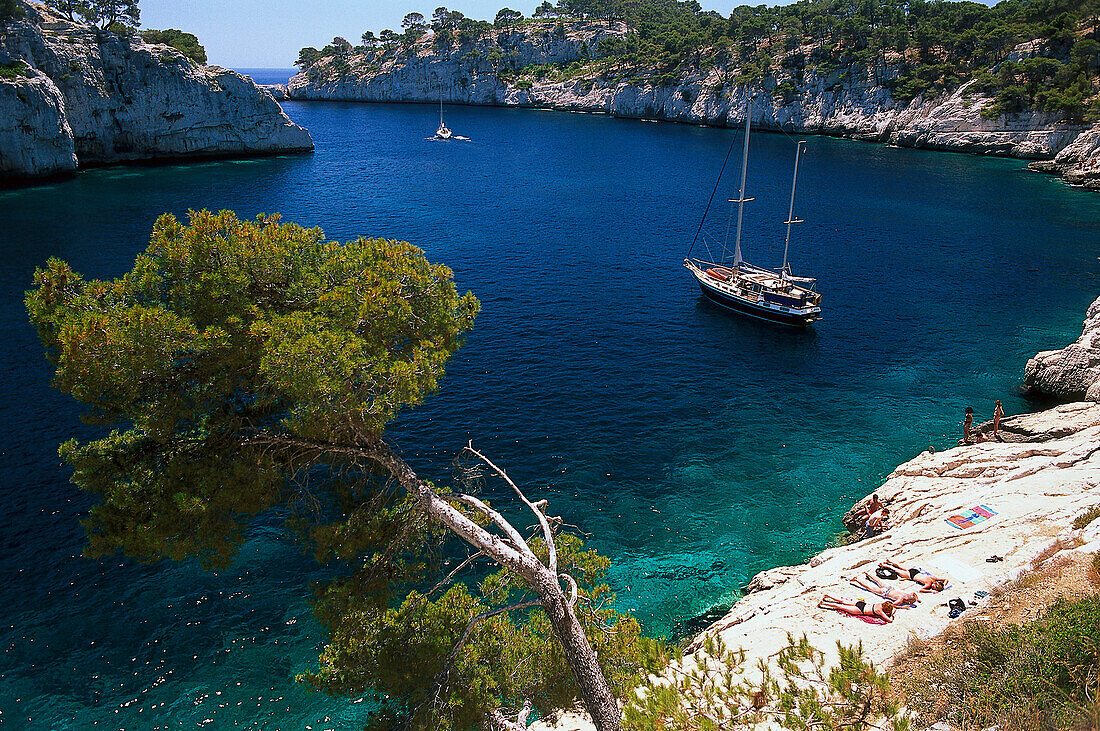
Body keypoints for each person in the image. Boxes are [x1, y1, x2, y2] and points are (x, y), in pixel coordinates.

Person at [850, 571, 919, 607]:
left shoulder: (907, 594)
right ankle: (856, 580)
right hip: (885, 592)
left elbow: (914, 594)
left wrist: (917, 599)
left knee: (878, 581)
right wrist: (903, 607)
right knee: (869, 588)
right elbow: (892, 605)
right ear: (907, 601)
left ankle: (868, 574)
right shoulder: (900, 599)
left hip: (890, 588)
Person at [879, 559, 947, 592]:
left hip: (915, 571)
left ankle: (889, 561)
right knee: (896, 570)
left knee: (901, 567)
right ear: (935, 585)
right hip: (911, 576)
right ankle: (884, 565)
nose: (932, 588)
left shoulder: (933, 578)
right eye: (934, 587)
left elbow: (946, 580)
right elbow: (921, 590)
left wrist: (944, 585)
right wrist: (931, 591)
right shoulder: (928, 584)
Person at [817, 594, 895, 623]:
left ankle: (828, 596)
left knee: (842, 601)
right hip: (860, 610)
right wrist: (891, 614)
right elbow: (890, 620)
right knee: (841, 606)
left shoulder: (880, 604)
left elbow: (894, 607)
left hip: (861, 603)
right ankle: (823, 603)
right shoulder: (880, 611)